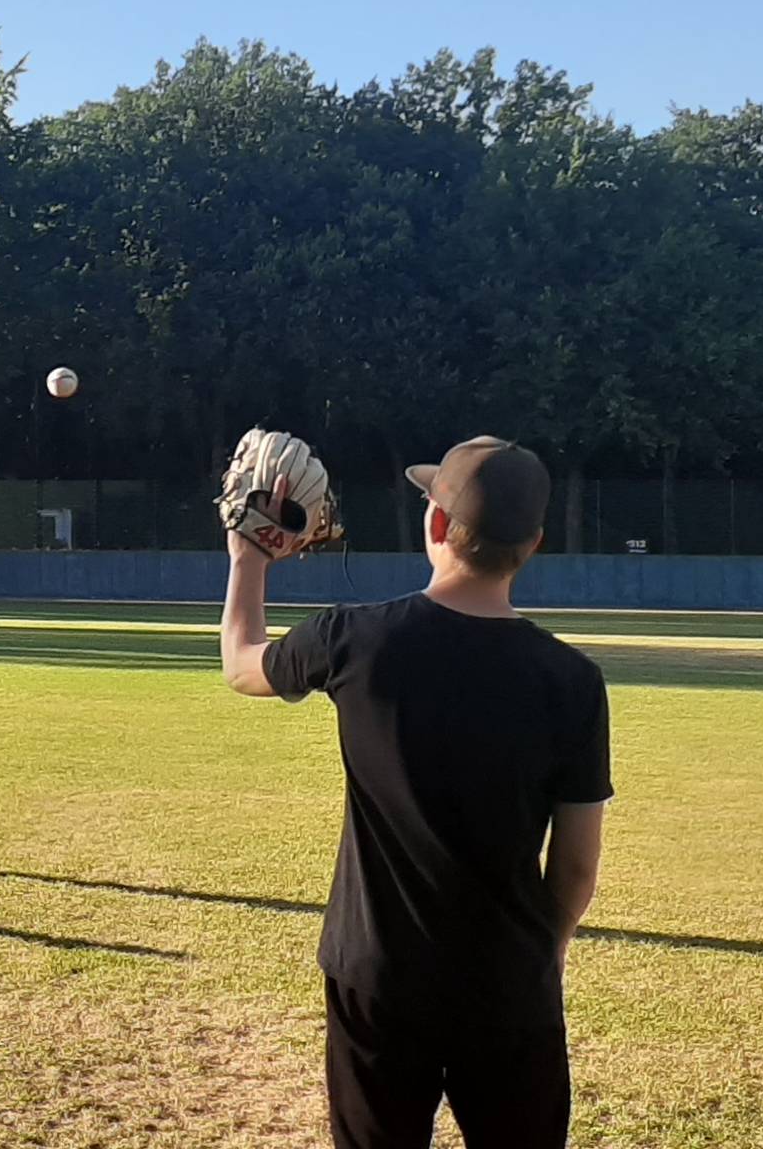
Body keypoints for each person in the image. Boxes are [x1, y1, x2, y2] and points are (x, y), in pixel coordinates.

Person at [218, 436, 610, 1149]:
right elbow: (578, 868)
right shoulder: (573, 681)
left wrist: (248, 558)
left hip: (378, 978)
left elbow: (242, 665)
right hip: (509, 983)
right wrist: (543, 955)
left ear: (435, 526)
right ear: (533, 545)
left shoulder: (353, 639)